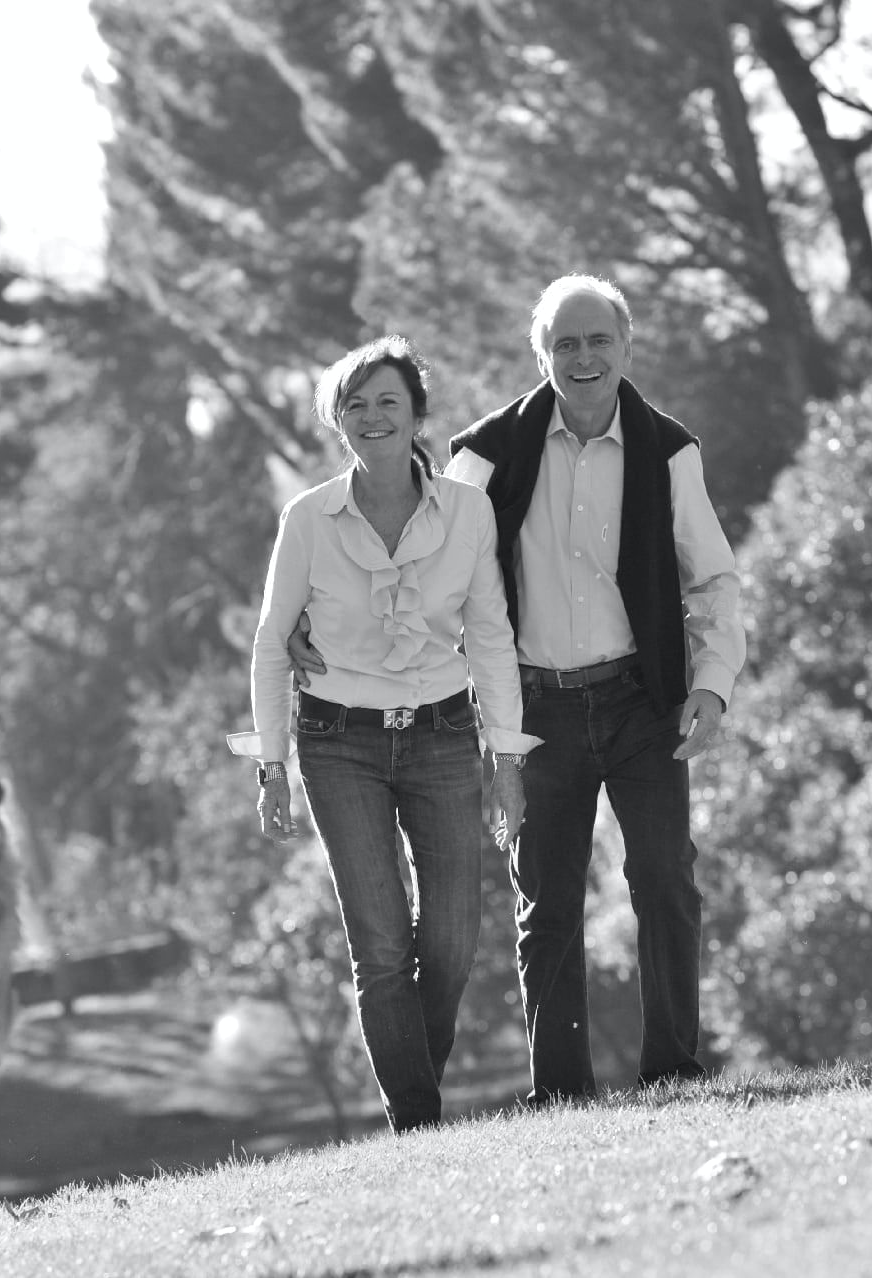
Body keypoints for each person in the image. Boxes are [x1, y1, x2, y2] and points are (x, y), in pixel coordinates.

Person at [290, 276, 744, 1103]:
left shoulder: (670, 451)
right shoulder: (485, 456)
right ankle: (561, 1089)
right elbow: (414, 563)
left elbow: (712, 580)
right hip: (536, 712)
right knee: (548, 905)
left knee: (666, 883)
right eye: (564, 344)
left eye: (597, 340)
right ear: (540, 356)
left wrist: (710, 686)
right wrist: (311, 624)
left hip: (645, 702)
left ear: (625, 347)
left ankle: (674, 1066)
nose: (582, 357)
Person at [228, 335, 538, 1133]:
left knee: (453, 942)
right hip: (337, 743)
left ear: (417, 416)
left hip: (442, 735)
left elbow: (492, 635)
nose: (372, 418)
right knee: (380, 947)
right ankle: (419, 1124)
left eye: (388, 403)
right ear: (337, 422)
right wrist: (271, 766)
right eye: (356, 406)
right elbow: (271, 641)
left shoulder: (468, 512)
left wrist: (509, 758)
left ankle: (414, 1098)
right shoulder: (308, 518)